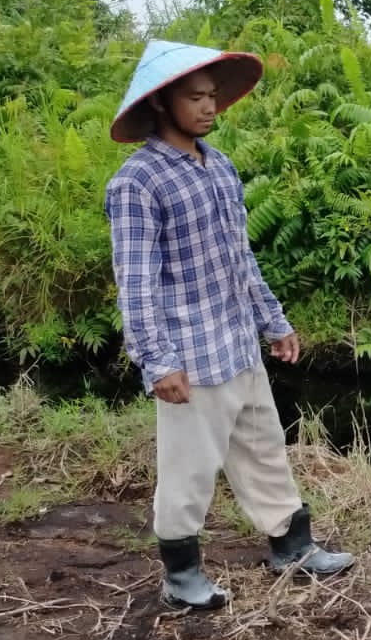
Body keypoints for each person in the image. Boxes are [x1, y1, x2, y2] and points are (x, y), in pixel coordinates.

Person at [105, 40, 354, 610]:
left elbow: (241, 258)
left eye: (213, 96)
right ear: (161, 103)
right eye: (195, 97)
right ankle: (181, 576)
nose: (209, 107)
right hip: (190, 353)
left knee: (264, 448)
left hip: (238, 341)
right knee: (189, 469)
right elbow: (136, 282)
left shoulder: (218, 166)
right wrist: (157, 361)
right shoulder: (137, 183)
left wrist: (273, 321)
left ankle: (293, 546)